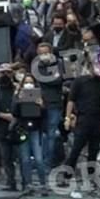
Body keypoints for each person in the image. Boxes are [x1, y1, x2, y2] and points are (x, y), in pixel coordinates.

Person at [61, 60, 100, 190]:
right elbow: (71, 100)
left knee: (94, 150)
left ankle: (91, 178)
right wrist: (68, 117)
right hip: (83, 118)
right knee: (76, 148)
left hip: (97, 119)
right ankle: (66, 176)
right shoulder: (79, 81)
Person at [33, 40, 65, 172]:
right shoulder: (36, 66)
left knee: (52, 133)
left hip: (54, 103)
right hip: (39, 104)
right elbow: (37, 81)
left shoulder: (59, 64)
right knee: (41, 134)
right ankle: (40, 161)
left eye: (46, 53)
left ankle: (48, 163)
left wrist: (46, 78)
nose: (44, 56)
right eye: (41, 53)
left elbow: (58, 80)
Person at [12, 71, 47, 190]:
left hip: (36, 129)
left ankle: (43, 183)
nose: (29, 85)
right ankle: (28, 184)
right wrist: (19, 100)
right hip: (23, 129)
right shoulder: (18, 95)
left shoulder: (40, 95)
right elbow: (14, 113)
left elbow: (44, 115)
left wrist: (41, 106)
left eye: (31, 82)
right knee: (25, 159)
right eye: (26, 82)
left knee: (39, 159)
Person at [0, 63, 18, 190]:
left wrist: (15, 117)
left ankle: (26, 182)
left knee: (21, 157)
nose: (5, 75)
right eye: (3, 73)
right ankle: (10, 182)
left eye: (8, 72)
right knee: (6, 157)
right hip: (2, 128)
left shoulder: (18, 89)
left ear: (12, 74)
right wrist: (6, 116)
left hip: (18, 127)